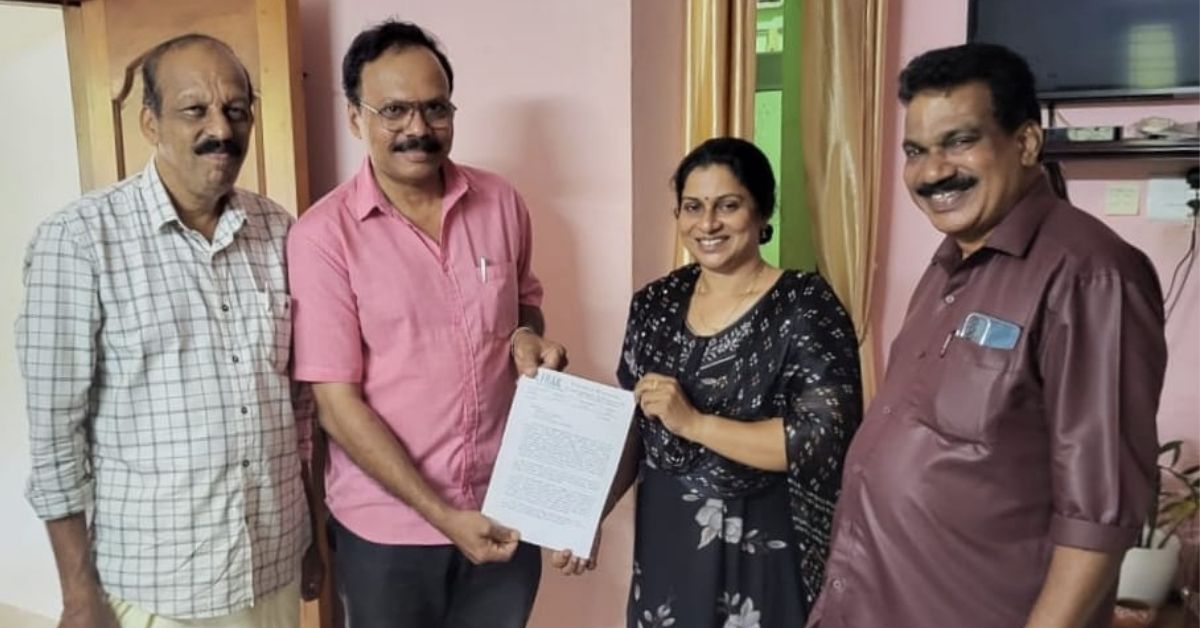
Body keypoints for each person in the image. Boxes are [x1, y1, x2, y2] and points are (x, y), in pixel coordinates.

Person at [807, 43, 1168, 628]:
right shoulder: (947, 265)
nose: (932, 172)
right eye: (916, 151)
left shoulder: (1090, 274)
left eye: (959, 141)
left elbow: (1097, 519)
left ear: (1025, 143)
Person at [17, 34, 321, 628]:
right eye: (195, 110)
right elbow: (55, 438)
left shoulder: (279, 232)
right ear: (150, 122)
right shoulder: (79, 241)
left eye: (236, 110)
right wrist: (78, 595)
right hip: (158, 586)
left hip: (273, 567)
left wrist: (309, 533)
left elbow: (299, 409)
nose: (221, 129)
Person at [286, 20, 566, 628]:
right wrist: (443, 517)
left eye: (435, 108)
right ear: (356, 118)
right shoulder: (322, 238)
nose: (418, 128)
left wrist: (527, 337)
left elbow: (523, 304)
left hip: (504, 505)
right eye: (394, 110)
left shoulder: (501, 203)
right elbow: (336, 405)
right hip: (387, 533)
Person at [582, 137, 862, 627]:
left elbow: (821, 441)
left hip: (763, 542)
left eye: (727, 206)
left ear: (762, 211)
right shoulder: (655, 304)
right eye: (693, 207)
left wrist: (694, 424)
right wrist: (588, 515)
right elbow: (633, 428)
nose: (707, 224)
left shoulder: (805, 306)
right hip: (667, 543)